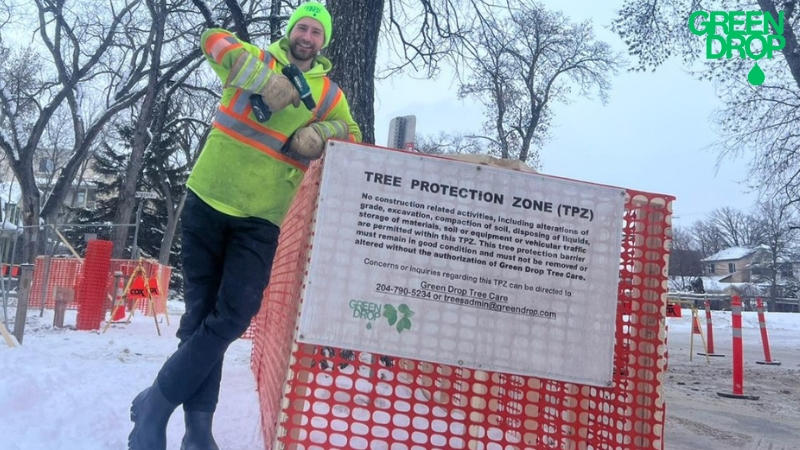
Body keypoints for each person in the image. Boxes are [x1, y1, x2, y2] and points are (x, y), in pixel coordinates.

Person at [127, 2, 361, 449]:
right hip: (208, 198)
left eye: (316, 31)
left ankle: (155, 405)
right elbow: (211, 38)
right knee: (198, 317)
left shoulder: (328, 94)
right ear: (291, 31)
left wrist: (322, 132)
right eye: (302, 27)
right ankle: (198, 431)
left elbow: (353, 130)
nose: (307, 36)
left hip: (262, 217)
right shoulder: (256, 59)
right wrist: (263, 80)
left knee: (233, 315)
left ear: (323, 43)